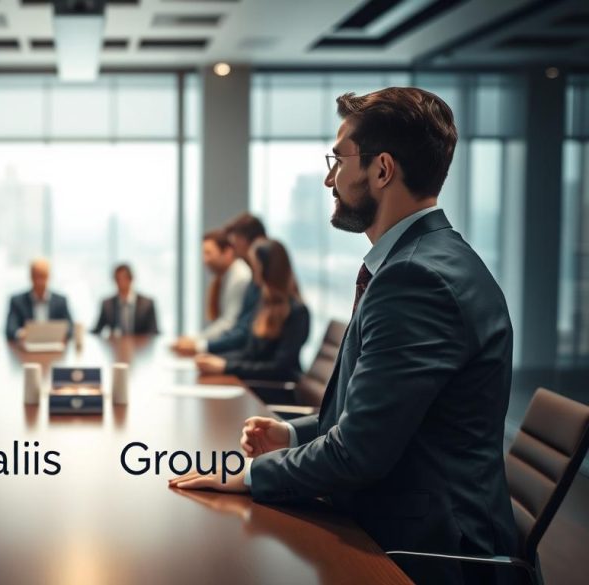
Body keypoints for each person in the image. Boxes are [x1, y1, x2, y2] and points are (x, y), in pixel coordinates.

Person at [170, 88, 518, 585]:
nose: (329, 177)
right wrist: (291, 434)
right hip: (402, 521)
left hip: (424, 554)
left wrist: (248, 478)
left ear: (381, 170)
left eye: (339, 159)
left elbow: (360, 452)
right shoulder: (425, 261)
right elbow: (382, 418)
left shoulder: (416, 280)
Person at [194, 239, 309, 382]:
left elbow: (280, 369)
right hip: (257, 385)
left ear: (266, 270)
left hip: (277, 391)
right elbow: (249, 353)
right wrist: (217, 360)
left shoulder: (297, 312)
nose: (252, 272)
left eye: (254, 266)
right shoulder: (263, 304)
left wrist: (226, 366)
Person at [175, 212, 267, 355]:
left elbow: (235, 326)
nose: (205, 260)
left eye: (208, 253)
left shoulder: (244, 277)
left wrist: (199, 344)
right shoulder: (245, 279)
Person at [190, 229, 251, 342]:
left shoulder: (240, 277)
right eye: (203, 254)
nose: (205, 260)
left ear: (227, 252)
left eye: (209, 253)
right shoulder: (226, 276)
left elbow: (229, 323)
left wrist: (196, 341)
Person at [5, 258, 73, 341]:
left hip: (54, 346)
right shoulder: (17, 301)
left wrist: (61, 334)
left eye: (43, 276)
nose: (40, 281)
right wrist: (20, 334)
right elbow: (10, 330)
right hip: (25, 349)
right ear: (31, 277)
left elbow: (70, 328)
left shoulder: (61, 301)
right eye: (36, 276)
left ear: (49, 277)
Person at [91, 263, 159, 336]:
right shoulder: (107, 304)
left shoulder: (147, 304)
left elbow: (153, 331)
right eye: (117, 279)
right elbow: (97, 329)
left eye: (124, 278)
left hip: (140, 346)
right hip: (116, 346)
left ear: (131, 279)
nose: (120, 283)